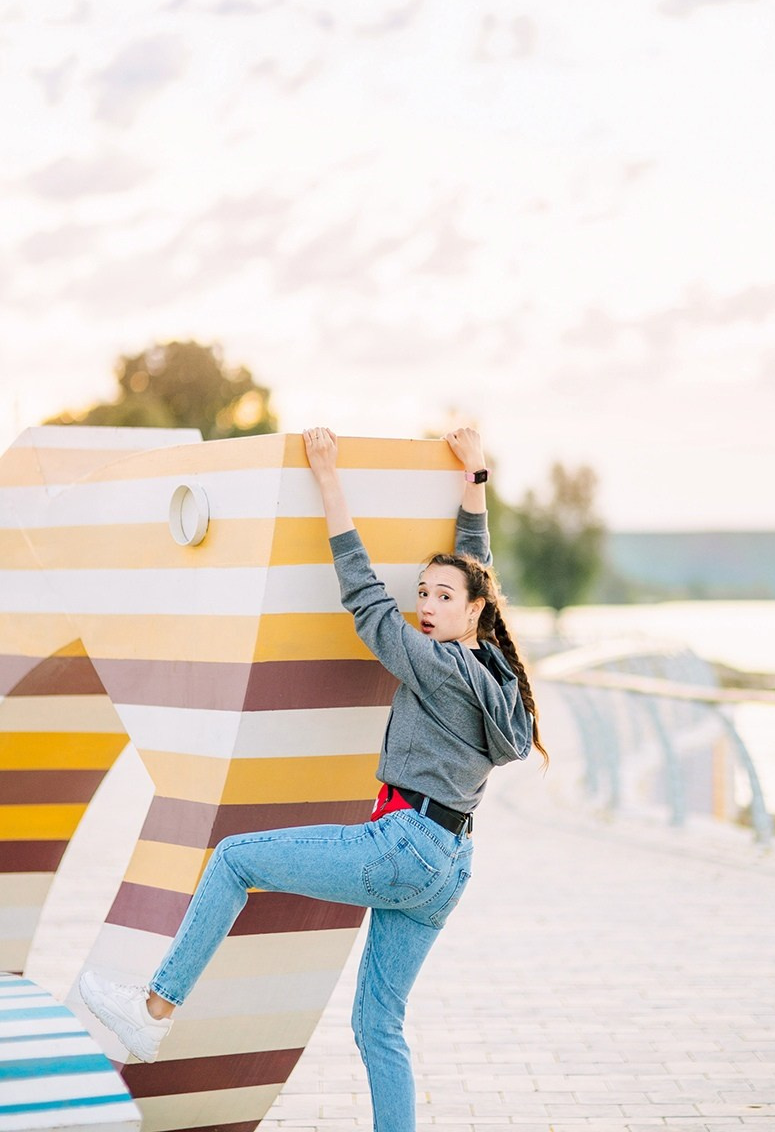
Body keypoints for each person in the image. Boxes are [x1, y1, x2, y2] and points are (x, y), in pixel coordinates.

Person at [79, 426, 546, 1132]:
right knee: (378, 1026)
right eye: (423, 592)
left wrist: (328, 478)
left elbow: (365, 598)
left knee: (233, 858)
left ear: (473, 610)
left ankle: (154, 1009)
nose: (425, 605)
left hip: (405, 845)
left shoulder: (435, 664)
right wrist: (475, 479)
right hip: (449, 864)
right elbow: (475, 568)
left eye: (440, 597)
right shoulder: (494, 668)